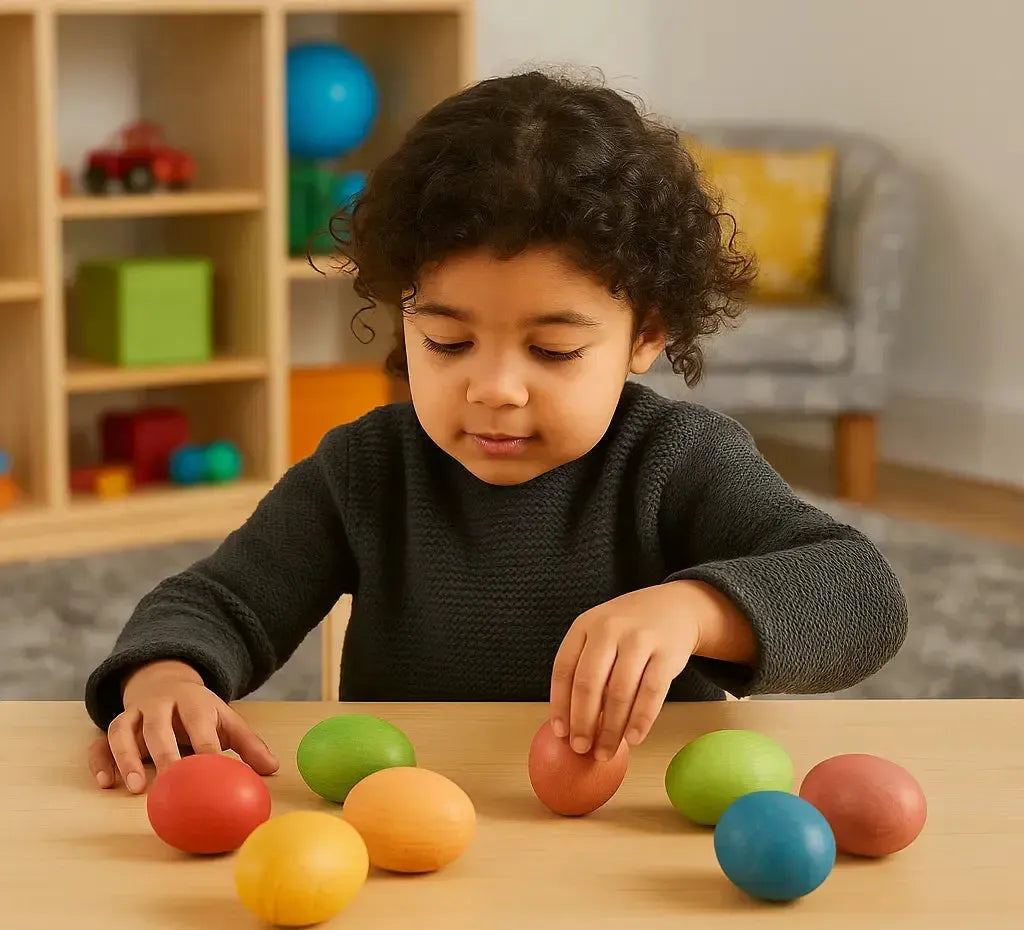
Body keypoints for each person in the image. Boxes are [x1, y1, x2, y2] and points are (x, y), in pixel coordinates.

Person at [84, 69, 908, 795]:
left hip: (634, 839)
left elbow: (862, 596)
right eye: (445, 342)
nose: (493, 389)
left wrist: (695, 611)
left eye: (552, 350)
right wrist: (166, 674)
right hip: (407, 839)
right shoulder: (368, 468)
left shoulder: (679, 461)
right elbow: (220, 600)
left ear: (646, 335)